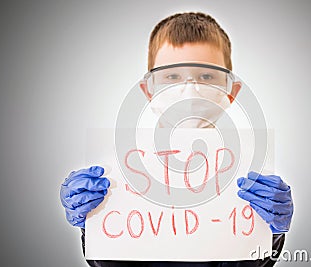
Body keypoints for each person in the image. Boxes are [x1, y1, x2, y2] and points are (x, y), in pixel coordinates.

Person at [60, 12, 293, 267]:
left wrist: (271, 234)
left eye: (207, 76)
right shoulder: (119, 171)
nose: (190, 89)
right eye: (171, 77)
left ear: (231, 91)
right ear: (148, 90)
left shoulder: (248, 170)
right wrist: (93, 223)